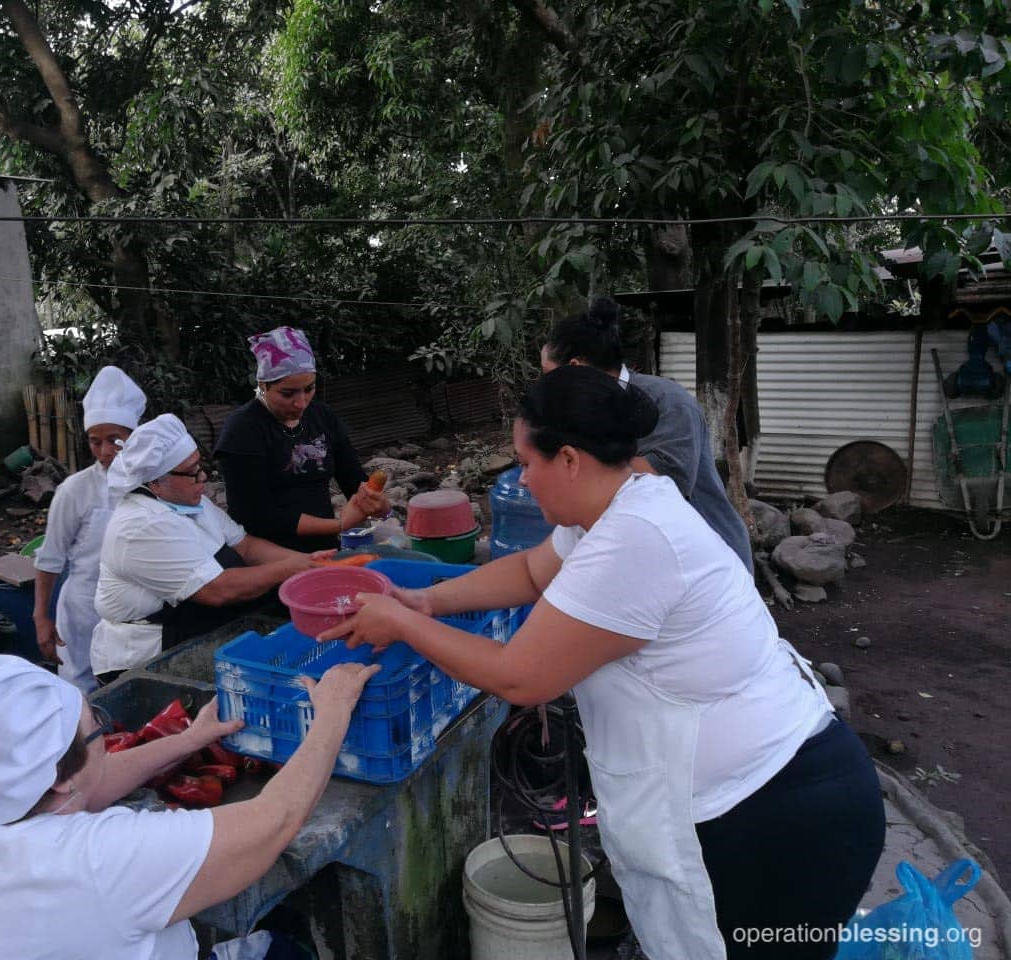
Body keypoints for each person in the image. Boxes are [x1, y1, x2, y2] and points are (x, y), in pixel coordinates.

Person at [323, 366, 885, 960]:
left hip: (778, 815)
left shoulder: (636, 535)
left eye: (525, 462)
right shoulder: (617, 501)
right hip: (768, 799)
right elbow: (532, 571)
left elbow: (521, 675)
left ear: (567, 459)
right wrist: (427, 598)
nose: (520, 480)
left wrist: (404, 623)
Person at [0, 653, 379, 960]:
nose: (102, 730)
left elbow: (87, 786)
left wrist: (190, 740)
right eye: (95, 726)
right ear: (58, 779)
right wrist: (333, 713)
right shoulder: (96, 861)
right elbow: (273, 822)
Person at [92, 414, 330, 684]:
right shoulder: (140, 527)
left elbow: (246, 546)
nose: (202, 476)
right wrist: (291, 568)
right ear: (156, 482)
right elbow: (218, 589)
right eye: (192, 471)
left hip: (202, 632)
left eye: (200, 466)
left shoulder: (190, 500)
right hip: (148, 660)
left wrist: (311, 563)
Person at [542, 297, 754, 572]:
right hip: (649, 560)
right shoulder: (582, 411)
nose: (544, 387)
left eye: (547, 374)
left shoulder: (668, 402)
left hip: (711, 564)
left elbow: (657, 485)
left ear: (574, 368)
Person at [214, 326, 387, 553]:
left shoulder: (322, 416)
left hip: (324, 548)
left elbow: (353, 479)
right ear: (264, 385)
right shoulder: (242, 430)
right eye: (288, 393)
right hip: (269, 555)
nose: (302, 403)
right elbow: (256, 515)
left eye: (309, 388)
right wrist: (339, 524)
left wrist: (375, 503)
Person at [34, 366, 147, 693]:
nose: (105, 451)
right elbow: (50, 558)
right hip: (84, 612)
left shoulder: (152, 482)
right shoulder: (75, 490)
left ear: (133, 436)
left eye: (115, 440)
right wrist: (41, 617)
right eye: (95, 442)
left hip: (135, 612)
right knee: (80, 692)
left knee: (131, 690)